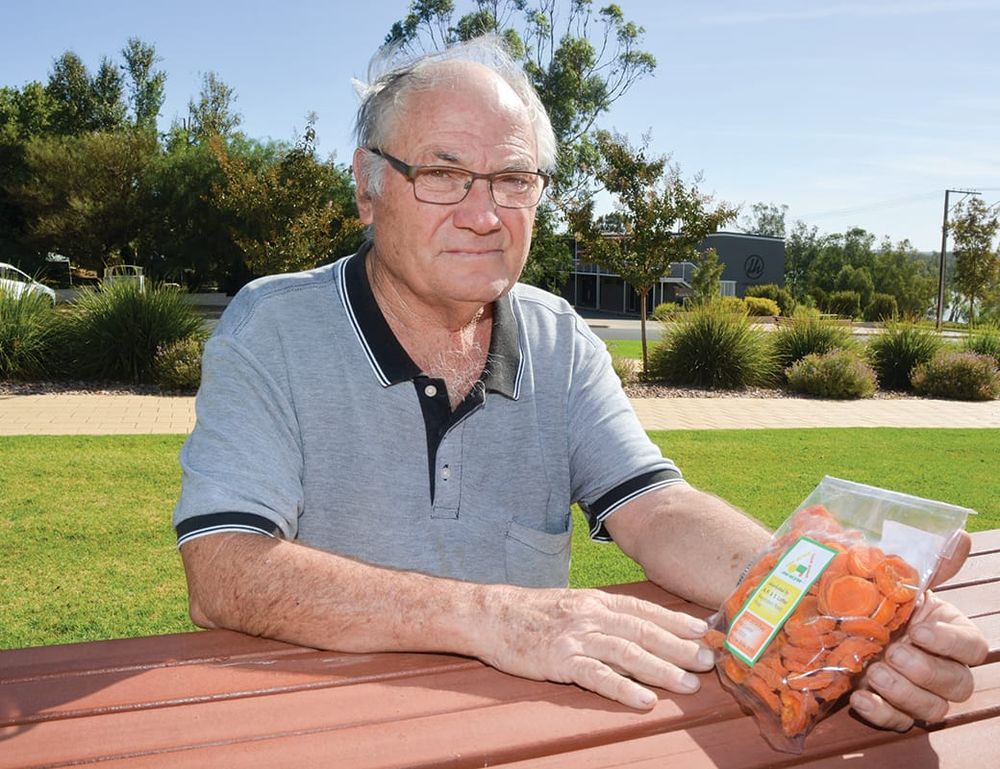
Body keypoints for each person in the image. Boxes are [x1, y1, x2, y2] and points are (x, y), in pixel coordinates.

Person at [174, 37, 986, 729]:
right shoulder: (273, 327)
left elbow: (657, 508)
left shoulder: (558, 336)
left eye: (513, 180)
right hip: (325, 727)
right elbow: (224, 568)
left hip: (531, 731)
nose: (485, 213)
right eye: (444, 174)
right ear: (368, 184)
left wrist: (821, 594)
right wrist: (496, 614)